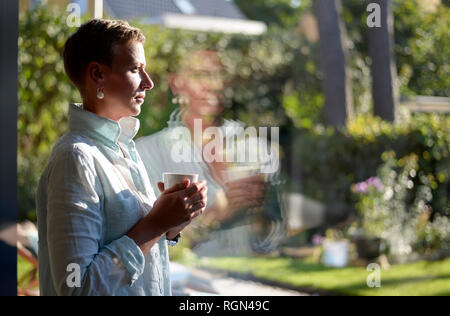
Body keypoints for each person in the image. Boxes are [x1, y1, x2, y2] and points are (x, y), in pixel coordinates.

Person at [36, 19, 207, 296]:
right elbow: (76, 287)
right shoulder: (75, 158)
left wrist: (171, 225)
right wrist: (155, 224)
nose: (149, 82)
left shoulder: (124, 148)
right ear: (97, 74)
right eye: (135, 69)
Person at [136, 50, 284, 256]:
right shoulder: (147, 151)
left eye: (219, 75)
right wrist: (216, 214)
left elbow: (274, 233)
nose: (212, 85)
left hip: (247, 277)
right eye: (199, 75)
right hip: (187, 279)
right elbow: (146, 242)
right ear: (176, 83)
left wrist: (261, 212)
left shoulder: (253, 147)